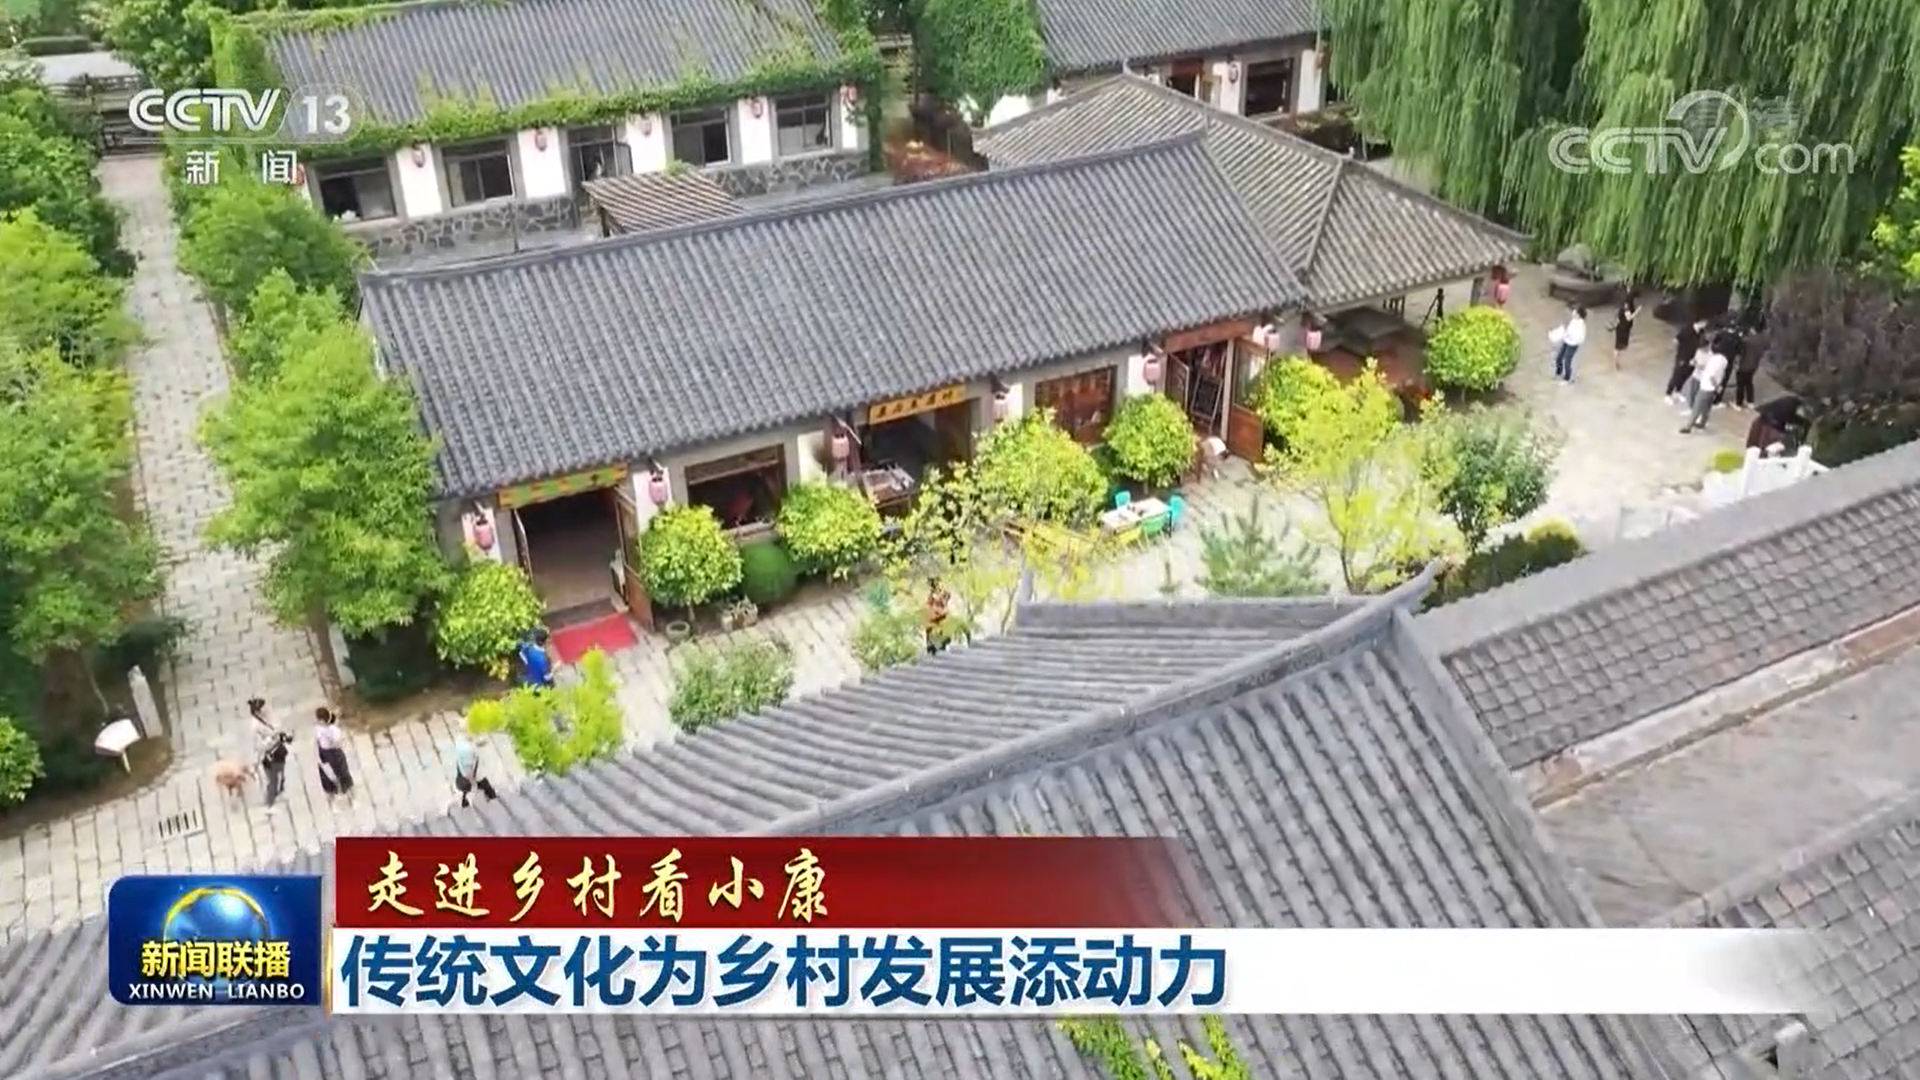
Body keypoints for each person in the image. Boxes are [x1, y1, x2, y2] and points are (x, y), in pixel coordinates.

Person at [248, 697, 290, 809]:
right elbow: (259, 745)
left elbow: (275, 727)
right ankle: (270, 801)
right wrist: (273, 738)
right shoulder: (255, 726)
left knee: (280, 772)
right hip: (269, 753)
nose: (263, 710)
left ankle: (277, 792)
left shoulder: (266, 717)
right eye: (260, 709)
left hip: (278, 749)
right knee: (273, 778)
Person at [1681, 344, 1729, 433]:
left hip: (1706, 387)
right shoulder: (1724, 360)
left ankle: (1688, 427)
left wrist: (1716, 386)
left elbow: (1711, 376)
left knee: (1697, 407)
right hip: (1713, 389)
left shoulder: (1713, 361)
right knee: (1707, 407)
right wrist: (1719, 385)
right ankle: (1702, 422)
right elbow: (1723, 372)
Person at [313, 706, 353, 800]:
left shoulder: (333, 730)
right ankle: (331, 789)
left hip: (333, 752)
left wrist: (331, 744)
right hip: (323, 752)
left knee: (340, 770)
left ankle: (346, 788)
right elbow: (317, 740)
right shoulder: (318, 728)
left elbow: (338, 742)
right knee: (325, 771)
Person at [1666, 318, 1708, 402]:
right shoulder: (1687, 329)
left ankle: (1678, 391)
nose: (1706, 324)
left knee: (1685, 376)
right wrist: (1680, 353)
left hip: (1692, 358)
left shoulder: (1701, 332)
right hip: (1683, 357)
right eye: (1704, 322)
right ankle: (1668, 394)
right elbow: (1676, 340)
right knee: (1677, 375)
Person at [451, 737, 498, 808]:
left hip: (463, 776)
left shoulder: (465, 751)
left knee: (474, 785)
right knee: (484, 783)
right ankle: (491, 795)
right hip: (466, 775)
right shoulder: (467, 767)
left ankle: (464, 801)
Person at [1551, 306, 1587, 383]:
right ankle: (1559, 372)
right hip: (1567, 341)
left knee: (1567, 360)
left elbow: (1578, 336)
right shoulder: (1574, 321)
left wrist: (1565, 334)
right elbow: (1568, 331)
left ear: (1578, 314)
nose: (1573, 312)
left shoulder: (1580, 325)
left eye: (1575, 311)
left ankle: (1567, 378)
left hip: (1572, 344)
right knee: (1559, 358)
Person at [1610, 293, 1639, 368]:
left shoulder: (1622, 307)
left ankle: (1617, 361)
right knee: (1618, 347)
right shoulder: (1626, 308)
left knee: (1618, 346)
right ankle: (1616, 361)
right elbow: (1629, 318)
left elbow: (1619, 318)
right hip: (1623, 329)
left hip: (1621, 328)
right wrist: (1637, 311)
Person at [924, 576, 951, 655]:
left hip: (939, 615)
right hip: (933, 615)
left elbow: (946, 599)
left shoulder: (942, 592)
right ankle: (931, 646)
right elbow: (928, 604)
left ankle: (941, 643)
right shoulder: (932, 594)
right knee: (930, 629)